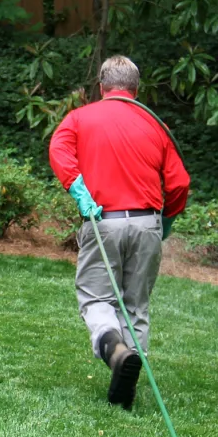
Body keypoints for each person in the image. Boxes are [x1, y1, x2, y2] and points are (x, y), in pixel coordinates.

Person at [48, 55, 191, 409]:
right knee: (136, 304)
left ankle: (114, 351)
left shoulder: (80, 118)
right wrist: (165, 222)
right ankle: (124, 387)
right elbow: (179, 183)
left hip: (104, 221)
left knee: (97, 298)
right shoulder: (155, 124)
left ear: (101, 87)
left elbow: (59, 151)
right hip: (147, 224)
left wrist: (80, 192)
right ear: (135, 90)